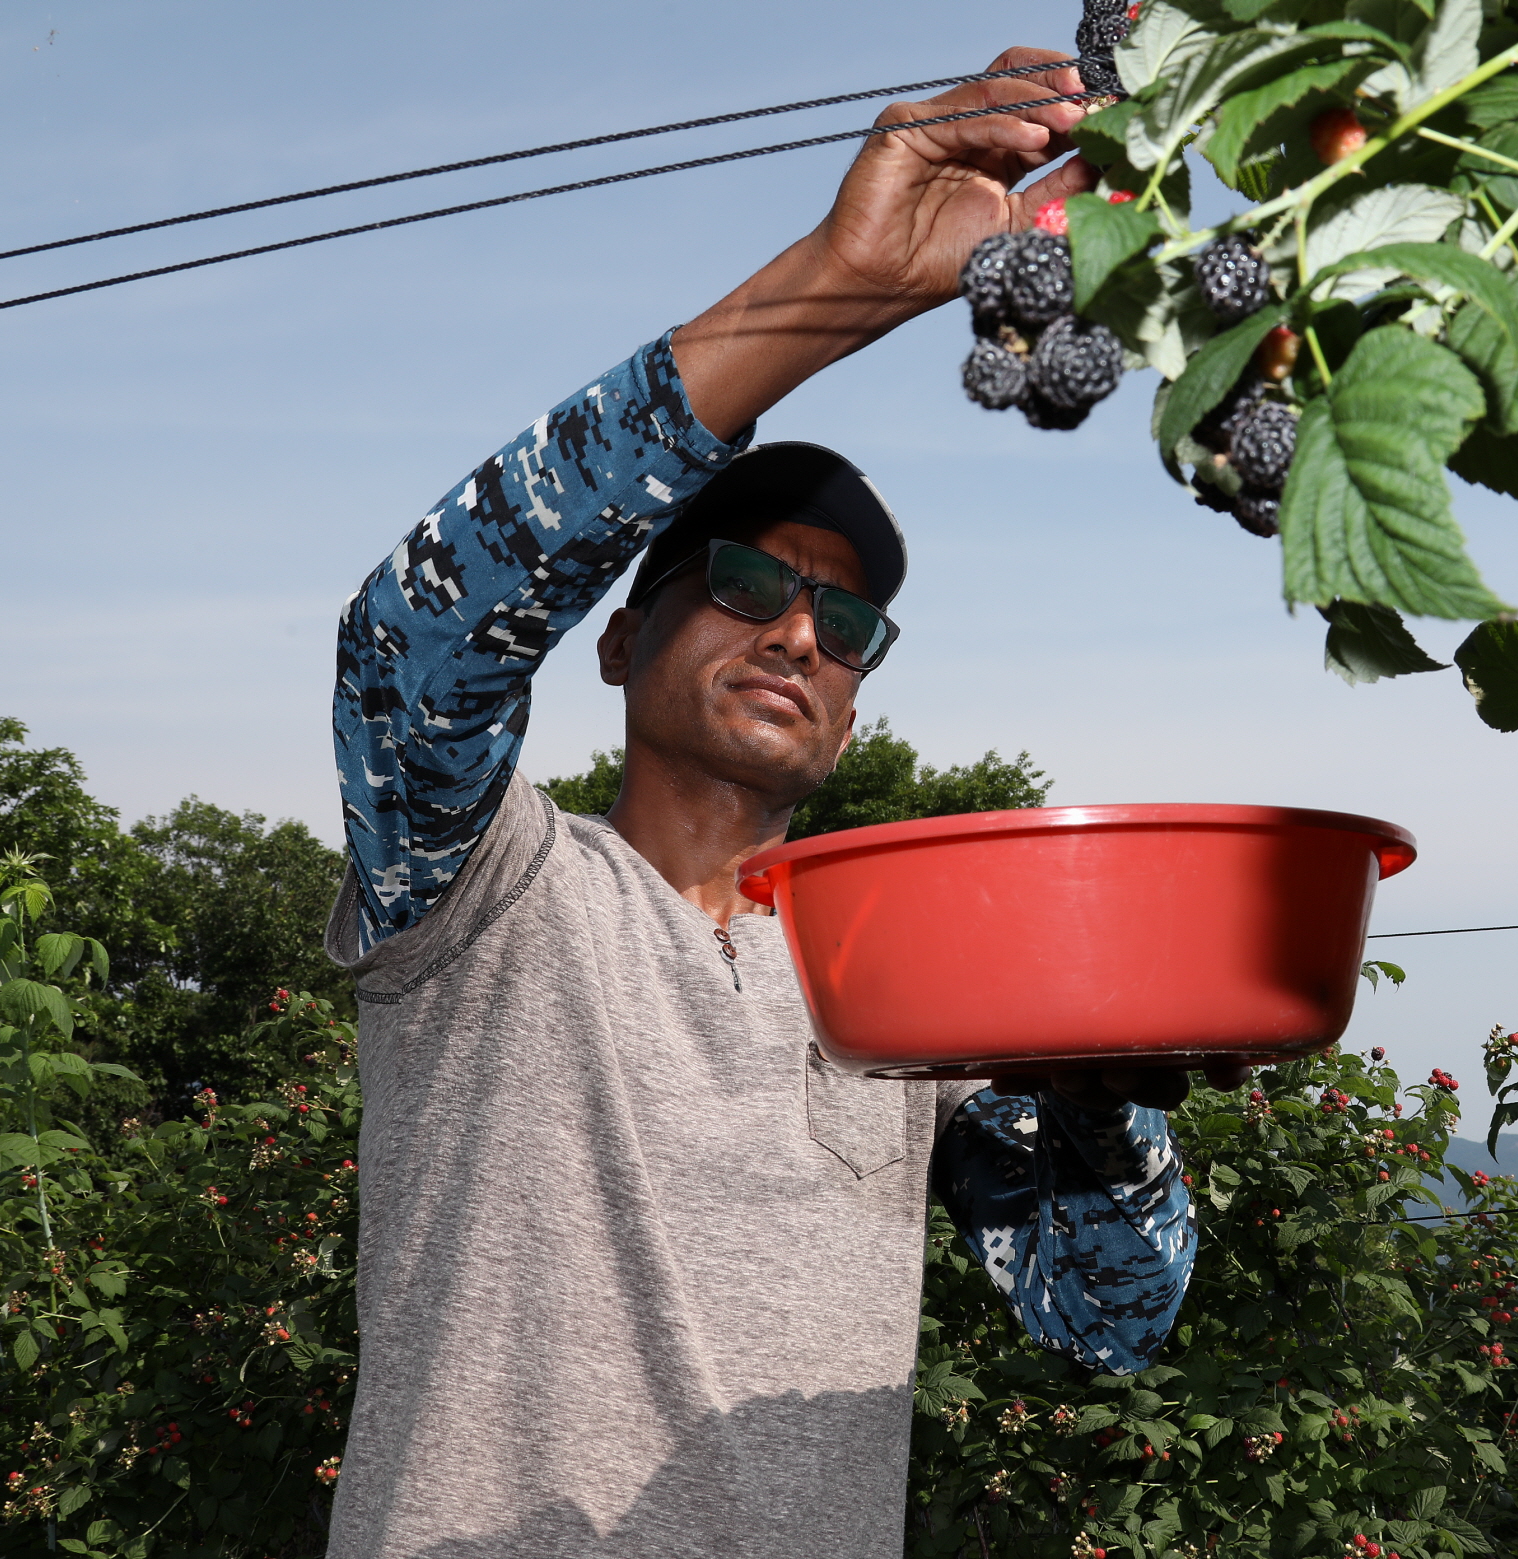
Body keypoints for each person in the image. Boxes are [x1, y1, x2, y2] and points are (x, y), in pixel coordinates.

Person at [320, 47, 1228, 1559]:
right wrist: (835, 282)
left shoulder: (907, 976)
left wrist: (1104, 1099)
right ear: (615, 637)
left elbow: (1101, 1317)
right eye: (746, 583)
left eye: (848, 622)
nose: (800, 632)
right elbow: (410, 632)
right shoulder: (486, 892)